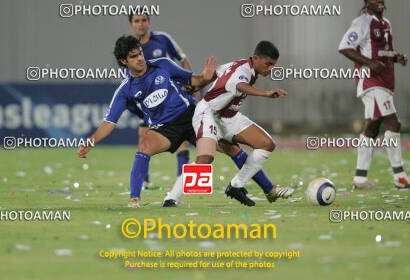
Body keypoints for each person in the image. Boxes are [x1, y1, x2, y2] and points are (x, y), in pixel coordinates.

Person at [78, 35, 293, 207]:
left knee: (232, 149)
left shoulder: (162, 65)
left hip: (191, 115)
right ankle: (135, 199)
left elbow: (194, 80)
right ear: (124, 61)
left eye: (140, 53)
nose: (140, 58)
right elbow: (109, 123)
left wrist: (206, 76)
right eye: (134, 56)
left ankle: (268, 189)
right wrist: (90, 142)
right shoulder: (125, 90)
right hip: (164, 128)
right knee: (144, 145)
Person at [163, 40, 294, 207]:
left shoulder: (238, 64)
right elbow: (241, 85)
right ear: (256, 58)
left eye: (273, 65)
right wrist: (266, 93)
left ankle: (236, 185)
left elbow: (215, 74)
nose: (270, 69)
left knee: (266, 144)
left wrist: (196, 86)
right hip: (208, 113)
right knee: (205, 158)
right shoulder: (243, 70)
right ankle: (170, 198)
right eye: (268, 64)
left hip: (229, 117)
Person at [338, 0, 410, 190]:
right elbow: (344, 47)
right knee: (394, 123)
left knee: (372, 127)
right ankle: (400, 176)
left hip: (385, 79)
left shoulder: (386, 23)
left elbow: (382, 51)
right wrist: (368, 63)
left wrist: (395, 56)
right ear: (367, 3)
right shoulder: (362, 22)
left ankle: (360, 178)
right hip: (370, 80)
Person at [128, 12, 196, 188]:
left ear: (149, 22)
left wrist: (190, 83)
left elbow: (183, 59)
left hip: (172, 96)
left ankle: (182, 180)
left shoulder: (163, 39)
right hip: (150, 101)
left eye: (144, 20)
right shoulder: (129, 48)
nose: (141, 24)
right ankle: (144, 181)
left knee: (182, 138)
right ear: (131, 25)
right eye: (137, 21)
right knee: (144, 137)